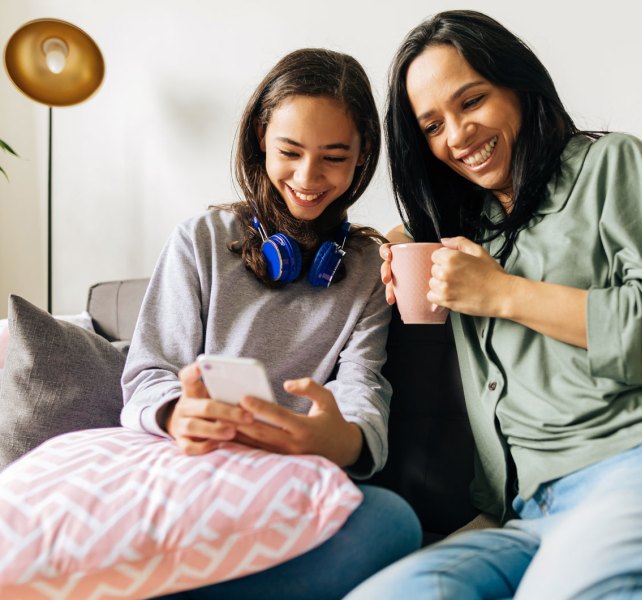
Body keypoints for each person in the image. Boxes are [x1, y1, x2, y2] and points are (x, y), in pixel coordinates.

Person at [347, 10, 642, 600]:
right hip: (530, 518)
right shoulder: (469, 230)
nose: (456, 136)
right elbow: (398, 237)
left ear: (519, 86)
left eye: (472, 101)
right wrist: (396, 250)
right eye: (432, 125)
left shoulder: (610, 166)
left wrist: (504, 294)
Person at [120, 48, 421, 599]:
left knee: (393, 521)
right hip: (194, 468)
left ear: (362, 157)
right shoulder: (200, 239)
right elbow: (147, 374)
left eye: (334, 157)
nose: (309, 178)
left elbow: (362, 387)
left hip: (287, 481)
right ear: (262, 137)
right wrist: (175, 411)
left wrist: (345, 440)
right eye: (291, 151)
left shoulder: (366, 273)